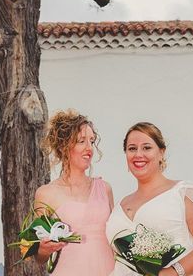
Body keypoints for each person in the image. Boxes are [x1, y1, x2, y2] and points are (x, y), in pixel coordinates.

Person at [106, 122, 193, 276]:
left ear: (161, 152)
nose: (138, 154)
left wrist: (173, 272)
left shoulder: (182, 193)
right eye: (132, 148)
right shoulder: (120, 205)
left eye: (147, 147)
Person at [33, 109, 115, 275]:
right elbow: (39, 256)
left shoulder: (104, 189)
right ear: (64, 146)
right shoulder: (46, 194)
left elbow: (116, 236)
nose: (89, 148)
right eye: (81, 141)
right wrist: (43, 249)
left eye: (91, 141)